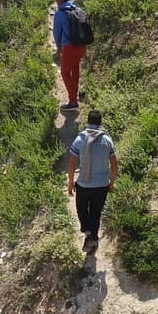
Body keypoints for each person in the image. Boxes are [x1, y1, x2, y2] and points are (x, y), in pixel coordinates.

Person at [68, 109, 118, 256]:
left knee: (82, 209)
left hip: (83, 183)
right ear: (100, 122)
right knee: (95, 213)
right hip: (102, 184)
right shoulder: (107, 140)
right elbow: (115, 166)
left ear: (88, 122)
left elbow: (71, 164)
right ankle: (92, 239)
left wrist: (71, 182)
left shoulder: (79, 139)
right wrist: (111, 182)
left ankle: (89, 233)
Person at [53, 0, 85, 111]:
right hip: (81, 46)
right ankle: (74, 96)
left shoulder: (60, 14)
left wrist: (59, 48)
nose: (56, 1)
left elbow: (57, 33)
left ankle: (73, 101)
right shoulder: (77, 9)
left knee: (65, 73)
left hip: (69, 48)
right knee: (75, 70)